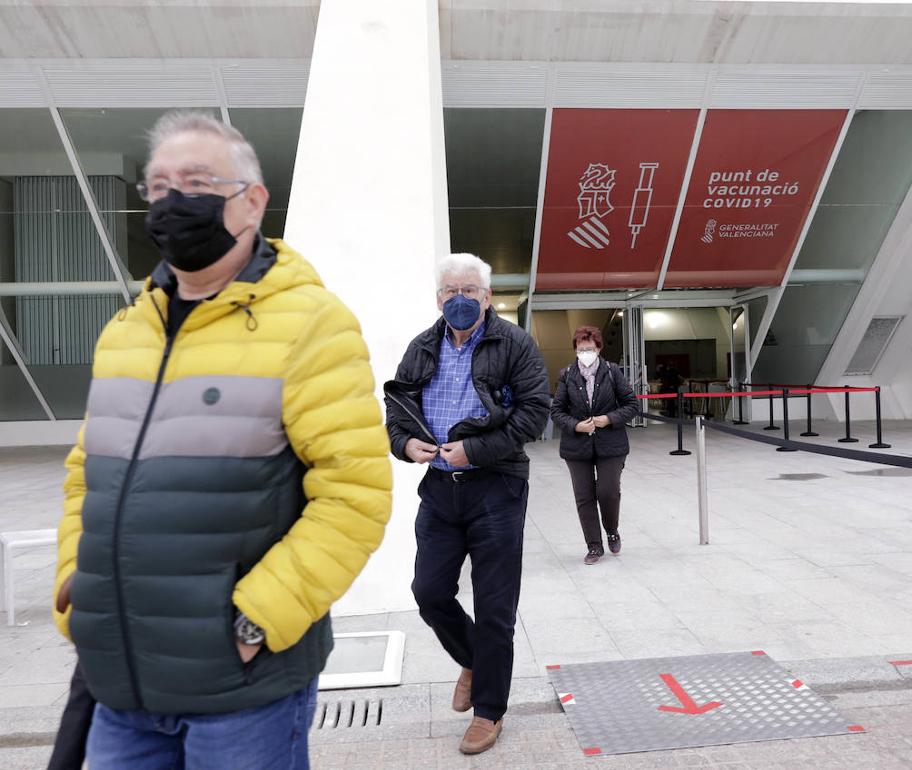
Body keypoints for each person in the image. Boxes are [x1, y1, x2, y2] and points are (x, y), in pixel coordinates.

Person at [51, 111, 393, 770]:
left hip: (242, 690)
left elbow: (354, 493)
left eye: (198, 182)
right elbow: (83, 472)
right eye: (158, 186)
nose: (173, 201)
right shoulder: (126, 330)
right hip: (120, 681)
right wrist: (75, 580)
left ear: (253, 201)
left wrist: (257, 620)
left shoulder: (313, 324)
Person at [385, 253, 550, 755]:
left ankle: (489, 711)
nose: (459, 299)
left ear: (487, 296)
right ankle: (476, 661)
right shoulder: (423, 345)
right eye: (449, 291)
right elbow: (397, 405)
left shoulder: (515, 343)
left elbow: (535, 413)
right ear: (439, 298)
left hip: (495, 486)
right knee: (429, 591)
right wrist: (402, 444)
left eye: (469, 290)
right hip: (438, 489)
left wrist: (474, 449)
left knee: (495, 605)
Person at [550, 326, 640, 565]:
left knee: (608, 491)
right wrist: (576, 425)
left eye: (590, 348)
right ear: (576, 350)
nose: (586, 353)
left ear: (599, 348)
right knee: (584, 496)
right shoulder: (567, 374)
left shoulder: (612, 372)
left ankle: (612, 530)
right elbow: (556, 411)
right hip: (576, 448)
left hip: (611, 444)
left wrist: (608, 419)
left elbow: (631, 405)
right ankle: (594, 545)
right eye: (581, 349)